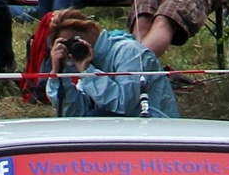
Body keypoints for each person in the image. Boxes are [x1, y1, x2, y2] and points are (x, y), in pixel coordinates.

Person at [40, 8, 178, 119]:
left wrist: (88, 72)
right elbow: (76, 114)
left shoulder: (129, 52)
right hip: (125, 133)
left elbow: (123, 106)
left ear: (90, 29)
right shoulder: (87, 62)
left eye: (75, 40)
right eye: (68, 44)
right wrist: (59, 75)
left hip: (155, 131)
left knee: (95, 117)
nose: (75, 47)